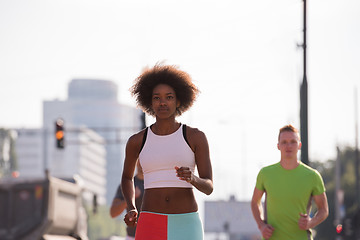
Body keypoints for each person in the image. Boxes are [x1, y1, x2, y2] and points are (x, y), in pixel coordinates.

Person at [121, 63, 213, 240]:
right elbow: (127, 177)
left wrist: (192, 178)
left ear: (178, 101)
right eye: (157, 98)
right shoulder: (136, 141)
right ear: (150, 101)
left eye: (169, 97)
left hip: (186, 223)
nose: (162, 102)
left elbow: (209, 186)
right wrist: (131, 207)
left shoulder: (195, 137)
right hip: (149, 222)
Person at [251, 124, 329, 240]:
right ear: (278, 146)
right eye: (284, 142)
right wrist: (261, 225)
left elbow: (324, 210)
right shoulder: (265, 174)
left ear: (299, 145)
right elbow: (254, 202)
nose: (289, 146)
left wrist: (310, 223)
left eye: (293, 141)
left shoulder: (312, 176)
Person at [110, 161, 144, 240]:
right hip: (132, 236)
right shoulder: (127, 184)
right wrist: (131, 197)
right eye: (140, 159)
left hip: (153, 235)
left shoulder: (154, 184)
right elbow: (113, 213)